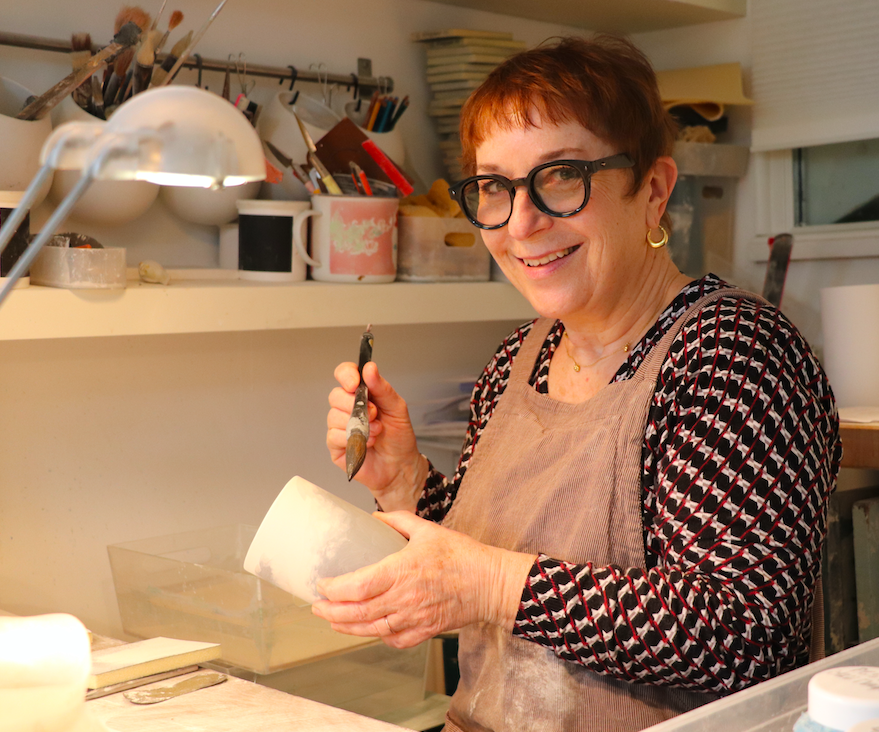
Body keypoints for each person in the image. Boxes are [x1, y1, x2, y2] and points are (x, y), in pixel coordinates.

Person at [317, 35, 841, 732]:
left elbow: (743, 634)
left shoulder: (733, 355)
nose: (522, 222)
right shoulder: (517, 360)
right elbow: (486, 570)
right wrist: (406, 480)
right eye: (494, 187)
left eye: (561, 176)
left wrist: (490, 584)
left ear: (651, 190)